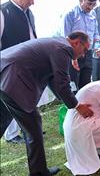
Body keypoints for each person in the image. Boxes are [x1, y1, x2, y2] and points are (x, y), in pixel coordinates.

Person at [0, 31, 93, 176]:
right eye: (85, 49)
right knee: (33, 127)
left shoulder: (56, 43)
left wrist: (67, 102)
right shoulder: (63, 49)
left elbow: (52, 80)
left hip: (4, 74)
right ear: (76, 42)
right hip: (13, 80)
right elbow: (62, 84)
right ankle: (39, 173)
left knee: (2, 120)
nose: (84, 54)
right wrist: (76, 106)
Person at [0, 0, 39, 144]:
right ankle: (11, 134)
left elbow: (32, 35)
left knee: (26, 98)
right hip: (9, 67)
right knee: (9, 103)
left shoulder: (29, 12)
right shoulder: (3, 12)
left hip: (27, 64)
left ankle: (27, 129)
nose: (32, 2)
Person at [64, 0, 100, 92]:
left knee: (86, 85)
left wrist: (97, 47)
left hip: (88, 53)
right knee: (73, 84)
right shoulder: (71, 15)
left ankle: (85, 105)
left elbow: (96, 34)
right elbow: (66, 38)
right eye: (89, 4)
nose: (90, 7)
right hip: (74, 54)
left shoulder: (93, 15)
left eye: (93, 5)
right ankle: (74, 107)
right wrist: (73, 57)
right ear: (81, 0)